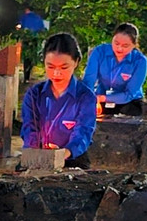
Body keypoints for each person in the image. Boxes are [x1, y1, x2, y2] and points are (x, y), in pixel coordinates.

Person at [20, 33, 98, 169]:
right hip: (38, 155)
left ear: (76, 62)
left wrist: (64, 153)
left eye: (64, 67)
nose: (56, 73)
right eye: (50, 67)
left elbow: (83, 132)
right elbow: (29, 127)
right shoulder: (34, 94)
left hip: (72, 158)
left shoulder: (85, 97)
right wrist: (36, 149)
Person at [82, 22, 147, 117]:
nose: (119, 48)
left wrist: (104, 98)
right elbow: (89, 80)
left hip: (129, 102)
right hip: (100, 98)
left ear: (134, 45)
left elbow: (130, 93)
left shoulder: (140, 61)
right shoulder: (100, 52)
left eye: (125, 46)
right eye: (116, 43)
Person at [17, 7, 47, 82]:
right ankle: (29, 73)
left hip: (26, 39)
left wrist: (19, 29)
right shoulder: (38, 18)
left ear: (27, 10)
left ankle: (26, 77)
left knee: (26, 57)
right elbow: (42, 28)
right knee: (32, 56)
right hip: (34, 39)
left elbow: (20, 26)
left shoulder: (24, 17)